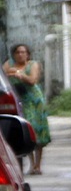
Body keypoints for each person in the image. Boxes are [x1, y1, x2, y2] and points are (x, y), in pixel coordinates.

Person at [4, 44, 51, 175]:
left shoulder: (33, 65)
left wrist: (20, 74)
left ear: (28, 54)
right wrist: (11, 73)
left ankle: (38, 164)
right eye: (18, 52)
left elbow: (32, 80)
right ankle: (31, 164)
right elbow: (3, 76)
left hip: (34, 101)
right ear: (14, 54)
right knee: (27, 132)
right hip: (20, 101)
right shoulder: (9, 64)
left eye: (23, 52)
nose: (20, 55)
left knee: (38, 129)